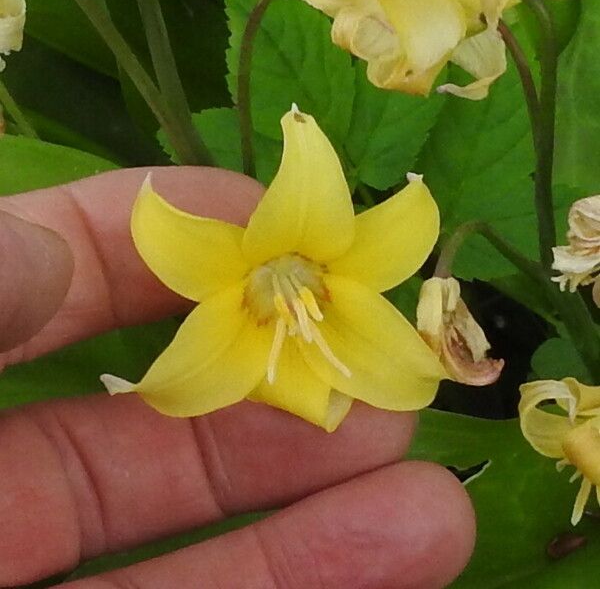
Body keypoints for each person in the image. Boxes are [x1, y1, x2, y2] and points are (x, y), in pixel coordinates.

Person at [0, 166, 475, 588]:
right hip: (305, 284)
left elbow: (410, 376)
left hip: (269, 299)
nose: (298, 313)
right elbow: (165, 235)